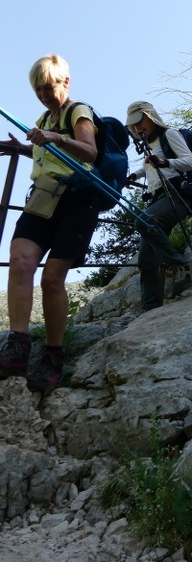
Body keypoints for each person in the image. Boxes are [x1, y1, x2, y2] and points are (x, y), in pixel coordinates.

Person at [0, 55, 101, 391]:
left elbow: (88, 151)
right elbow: (50, 155)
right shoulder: (45, 117)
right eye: (38, 89)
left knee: (53, 278)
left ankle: (54, 354)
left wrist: (55, 138)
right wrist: (25, 149)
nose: (43, 94)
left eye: (49, 86)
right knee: (20, 260)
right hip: (43, 196)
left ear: (65, 82)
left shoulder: (78, 111)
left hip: (76, 200)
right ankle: (18, 344)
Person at [125, 101, 192, 312]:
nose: (138, 128)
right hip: (158, 198)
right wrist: (133, 176)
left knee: (144, 221)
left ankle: (180, 266)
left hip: (176, 195)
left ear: (150, 117)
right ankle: (150, 310)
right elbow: (148, 167)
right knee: (146, 261)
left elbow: (191, 162)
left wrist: (166, 163)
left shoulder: (169, 134)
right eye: (133, 125)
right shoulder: (151, 144)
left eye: (140, 121)